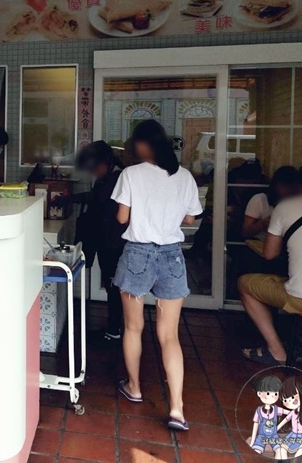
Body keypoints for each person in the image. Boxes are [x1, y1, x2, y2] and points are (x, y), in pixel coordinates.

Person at [111, 120, 203, 432]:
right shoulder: (184, 176)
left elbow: (122, 218)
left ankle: (135, 387)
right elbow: (190, 217)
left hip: (138, 254)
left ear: (142, 144)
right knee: (169, 336)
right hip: (171, 256)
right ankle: (177, 408)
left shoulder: (131, 174)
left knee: (133, 327)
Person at [240, 160, 302, 366]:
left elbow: (270, 254)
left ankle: (277, 351)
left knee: (245, 284)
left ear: (301, 184)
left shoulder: (286, 207)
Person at [69, 141, 126, 343]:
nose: (93, 171)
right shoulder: (109, 176)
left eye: (95, 166)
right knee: (111, 285)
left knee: (113, 286)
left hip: (115, 242)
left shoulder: (118, 178)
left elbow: (97, 197)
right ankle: (113, 328)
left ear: (107, 162)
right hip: (106, 240)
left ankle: (114, 330)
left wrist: (70, 198)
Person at [242, 166, 300, 241]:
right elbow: (245, 232)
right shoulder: (260, 199)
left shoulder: (297, 202)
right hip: (259, 242)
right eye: (284, 187)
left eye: (291, 187)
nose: (288, 191)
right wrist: (262, 223)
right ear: (275, 185)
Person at [275, 375, 302, 458]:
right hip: (292, 436)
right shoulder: (293, 412)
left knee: (299, 454)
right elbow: (285, 420)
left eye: (292, 397)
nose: (289, 402)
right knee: (281, 449)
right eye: (285, 400)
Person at [247, 375, 285, 456]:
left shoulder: (276, 409)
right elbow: (255, 426)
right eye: (268, 393)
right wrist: (253, 441)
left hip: (274, 436)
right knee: (256, 451)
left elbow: (290, 413)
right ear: (259, 393)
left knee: (280, 451)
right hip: (261, 437)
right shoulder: (259, 411)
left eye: (275, 394)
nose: (272, 396)